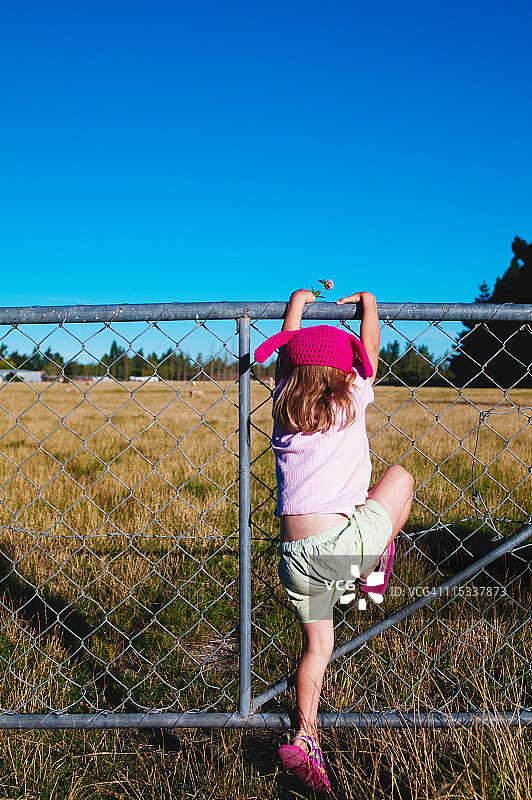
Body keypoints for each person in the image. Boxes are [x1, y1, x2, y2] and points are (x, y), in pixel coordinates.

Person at [254, 288, 414, 793]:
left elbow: (287, 357)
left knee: (317, 649)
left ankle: (306, 739)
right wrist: (369, 303)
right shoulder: (353, 398)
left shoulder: (283, 410)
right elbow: (370, 351)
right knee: (400, 479)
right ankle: (376, 560)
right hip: (340, 548)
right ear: (347, 375)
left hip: (292, 561)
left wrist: (296, 306)